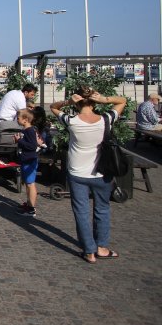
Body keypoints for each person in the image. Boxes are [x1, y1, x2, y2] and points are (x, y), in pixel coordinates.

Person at [50, 87, 127, 264]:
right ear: (94, 102)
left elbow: (53, 107)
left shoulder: (72, 121)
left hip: (77, 172)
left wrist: (69, 102)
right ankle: (102, 247)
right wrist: (105, 99)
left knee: (81, 211)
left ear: (78, 103)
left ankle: (89, 251)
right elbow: (122, 101)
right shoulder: (106, 119)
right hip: (101, 172)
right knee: (102, 209)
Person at [14, 109, 40, 217]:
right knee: (27, 184)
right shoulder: (25, 130)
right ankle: (29, 203)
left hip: (30, 160)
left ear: (25, 120)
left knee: (30, 184)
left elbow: (32, 146)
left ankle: (31, 209)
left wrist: (19, 141)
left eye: (18, 118)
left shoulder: (29, 131)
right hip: (26, 159)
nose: (17, 120)